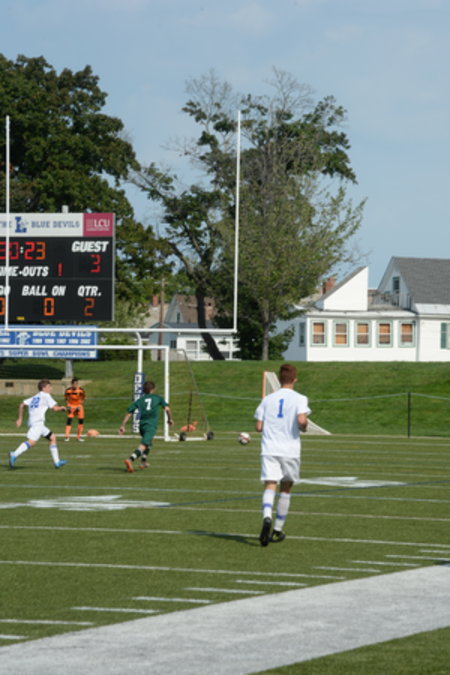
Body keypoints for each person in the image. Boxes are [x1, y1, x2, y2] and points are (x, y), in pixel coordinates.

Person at [254, 363, 311, 547]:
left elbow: (258, 427)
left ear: (279, 380)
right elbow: (301, 420)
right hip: (290, 449)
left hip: (270, 448)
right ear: (295, 379)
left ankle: (267, 517)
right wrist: (304, 426)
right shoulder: (300, 398)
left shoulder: (267, 399)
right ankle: (277, 530)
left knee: (270, 484)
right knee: (285, 488)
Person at [9, 379, 68, 469]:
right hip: (37, 423)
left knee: (52, 437)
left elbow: (22, 405)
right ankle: (14, 454)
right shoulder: (46, 395)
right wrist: (62, 408)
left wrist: (20, 419)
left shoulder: (35, 397)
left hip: (37, 423)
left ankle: (57, 462)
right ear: (43, 388)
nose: (51, 388)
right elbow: (55, 408)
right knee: (32, 442)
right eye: (49, 386)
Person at [118, 380, 173, 473]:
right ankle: (130, 459)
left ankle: (143, 461)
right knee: (144, 444)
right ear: (153, 389)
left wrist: (123, 425)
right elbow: (167, 409)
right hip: (150, 425)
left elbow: (129, 412)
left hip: (142, 426)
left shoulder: (140, 400)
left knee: (149, 441)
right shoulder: (158, 398)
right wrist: (170, 419)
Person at [64, 377, 86, 442]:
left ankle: (78, 437)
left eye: (76, 384)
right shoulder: (68, 390)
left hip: (79, 406)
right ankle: (67, 437)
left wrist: (79, 405)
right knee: (69, 421)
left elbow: (83, 398)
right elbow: (66, 399)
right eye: (74, 384)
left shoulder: (81, 390)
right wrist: (68, 406)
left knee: (81, 421)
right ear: (72, 384)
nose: (75, 385)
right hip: (71, 406)